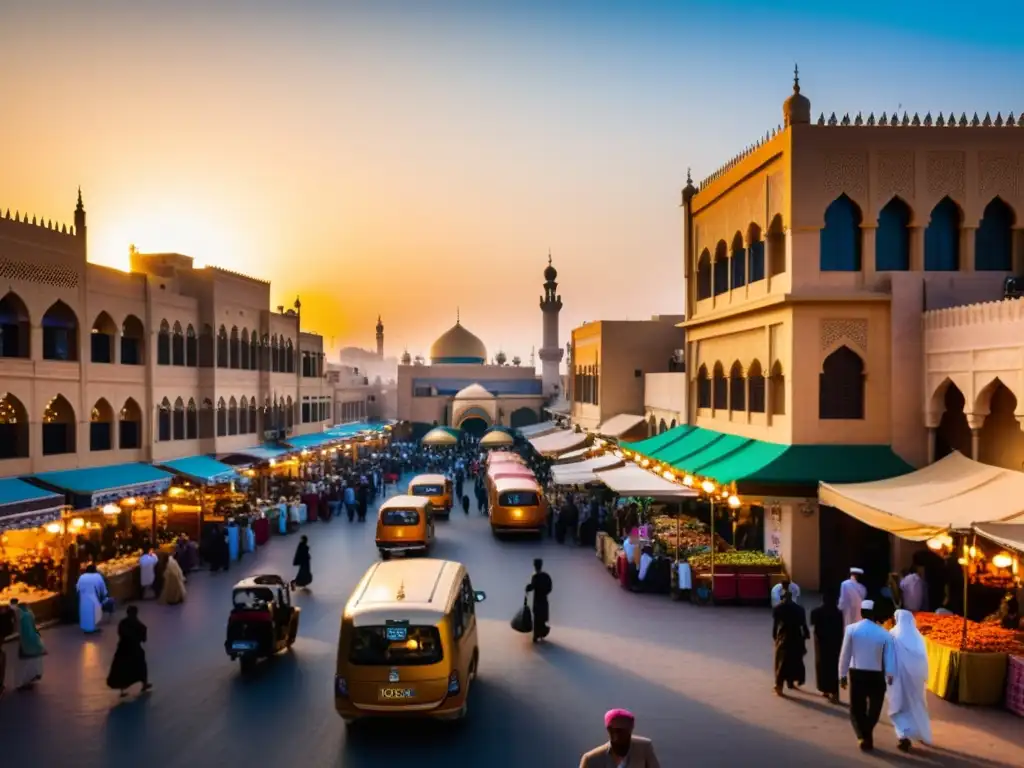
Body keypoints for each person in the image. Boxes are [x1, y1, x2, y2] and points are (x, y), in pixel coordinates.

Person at [839, 599, 896, 752]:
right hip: (877, 674)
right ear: (873, 614)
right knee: (875, 707)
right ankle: (867, 731)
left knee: (856, 708)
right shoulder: (884, 633)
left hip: (857, 673)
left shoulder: (851, 629)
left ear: (861, 613)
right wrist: (890, 675)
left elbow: (845, 654)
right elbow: (889, 657)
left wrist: (842, 675)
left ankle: (862, 735)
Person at [888, 609, 932, 751]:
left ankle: (903, 737)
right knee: (915, 705)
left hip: (898, 678)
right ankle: (918, 731)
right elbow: (924, 659)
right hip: (915, 680)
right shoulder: (918, 637)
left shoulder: (893, 634)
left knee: (899, 705)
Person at [579, 708, 661, 767]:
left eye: (622, 731)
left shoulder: (644, 748)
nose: (617, 736)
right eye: (613, 730)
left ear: (631, 729)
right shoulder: (591, 759)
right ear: (608, 730)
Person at [107, 605, 151, 697]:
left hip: (123, 649)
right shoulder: (140, 625)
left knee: (121, 668)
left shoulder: (123, 623)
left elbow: (120, 633)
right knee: (141, 666)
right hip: (135, 649)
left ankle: (122, 688)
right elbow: (144, 639)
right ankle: (144, 684)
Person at [809, 587, 844, 704]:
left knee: (822, 666)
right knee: (834, 668)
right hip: (835, 644)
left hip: (821, 644)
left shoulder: (816, 612)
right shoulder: (839, 613)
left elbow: (812, 624)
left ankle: (824, 689)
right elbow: (841, 629)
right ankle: (834, 692)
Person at [771, 589, 809, 695]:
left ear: (782, 598)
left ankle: (779, 686)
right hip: (797, 637)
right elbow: (804, 625)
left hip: (784, 637)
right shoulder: (800, 609)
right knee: (794, 660)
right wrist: (806, 636)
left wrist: (775, 638)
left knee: (781, 662)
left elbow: (775, 626)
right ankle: (791, 682)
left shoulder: (778, 608)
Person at [10, 598, 45, 691]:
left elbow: (17, 627)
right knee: (31, 661)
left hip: (25, 641)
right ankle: (32, 677)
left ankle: (23, 682)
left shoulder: (19, 613)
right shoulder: (29, 613)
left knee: (23, 663)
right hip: (33, 640)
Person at [524, 558, 552, 643]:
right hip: (544, 600)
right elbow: (549, 587)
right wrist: (544, 592)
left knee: (537, 618)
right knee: (542, 617)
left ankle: (536, 635)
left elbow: (532, 587)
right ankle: (541, 633)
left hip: (537, 601)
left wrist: (528, 588)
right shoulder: (546, 576)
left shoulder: (535, 576)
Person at [76, 564, 108, 633]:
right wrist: (104, 595)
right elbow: (102, 588)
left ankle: (86, 628)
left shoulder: (82, 577)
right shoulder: (97, 576)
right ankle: (92, 628)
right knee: (94, 612)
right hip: (93, 597)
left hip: (83, 597)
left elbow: (77, 588)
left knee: (85, 612)